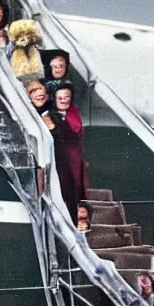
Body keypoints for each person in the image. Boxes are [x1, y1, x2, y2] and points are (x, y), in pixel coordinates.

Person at [49, 83, 89, 223]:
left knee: (77, 191)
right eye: (60, 97)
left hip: (75, 160)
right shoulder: (50, 116)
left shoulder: (74, 113)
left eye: (67, 97)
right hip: (60, 160)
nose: (64, 100)